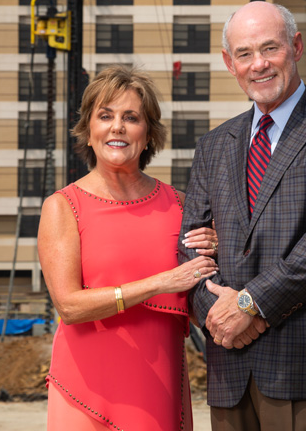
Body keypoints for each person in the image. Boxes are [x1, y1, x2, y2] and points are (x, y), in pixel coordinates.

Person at [178, 1, 306, 430]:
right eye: (245, 53)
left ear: (297, 46)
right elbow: (189, 246)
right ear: (229, 62)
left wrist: (249, 305)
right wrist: (216, 317)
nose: (260, 64)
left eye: (270, 48)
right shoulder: (213, 146)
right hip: (229, 364)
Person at [38, 64, 218, 430]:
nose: (117, 126)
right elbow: (69, 306)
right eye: (105, 116)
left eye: (131, 117)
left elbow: (200, 309)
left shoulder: (181, 207)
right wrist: (159, 283)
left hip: (159, 391)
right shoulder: (62, 207)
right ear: (88, 131)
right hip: (83, 393)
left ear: (148, 134)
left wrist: (218, 250)